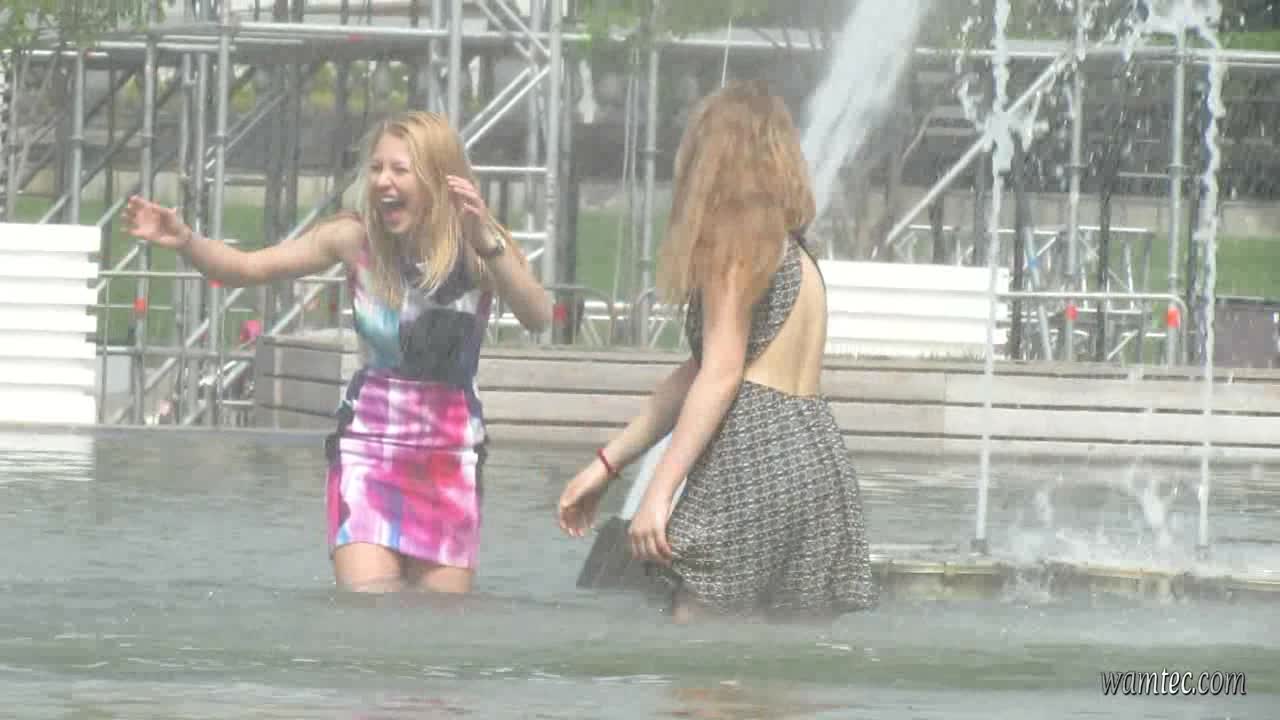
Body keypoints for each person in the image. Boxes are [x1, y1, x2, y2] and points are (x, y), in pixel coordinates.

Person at [125, 111, 553, 594]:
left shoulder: (479, 246)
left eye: (399, 170)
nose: (383, 181)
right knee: (372, 607)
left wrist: (487, 243)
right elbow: (247, 268)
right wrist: (185, 240)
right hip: (368, 453)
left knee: (439, 622)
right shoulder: (356, 240)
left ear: (438, 178)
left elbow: (538, 315)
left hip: (449, 458)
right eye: (376, 169)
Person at [556, 80, 876, 622]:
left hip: (750, 455)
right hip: (819, 461)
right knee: (788, 655)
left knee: (695, 641)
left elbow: (722, 374)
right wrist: (607, 465)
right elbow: (699, 371)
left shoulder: (735, 239)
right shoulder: (796, 252)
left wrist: (658, 492)